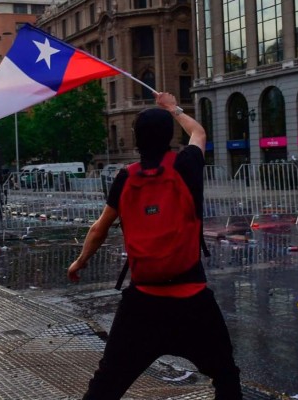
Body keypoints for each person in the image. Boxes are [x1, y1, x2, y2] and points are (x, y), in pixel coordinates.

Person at [67, 92, 243, 399]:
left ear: (136, 140)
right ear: (169, 136)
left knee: (106, 383)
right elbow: (199, 132)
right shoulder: (187, 164)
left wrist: (81, 260)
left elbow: (100, 228)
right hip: (193, 299)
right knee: (226, 374)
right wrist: (173, 107)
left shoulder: (125, 177)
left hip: (142, 303)